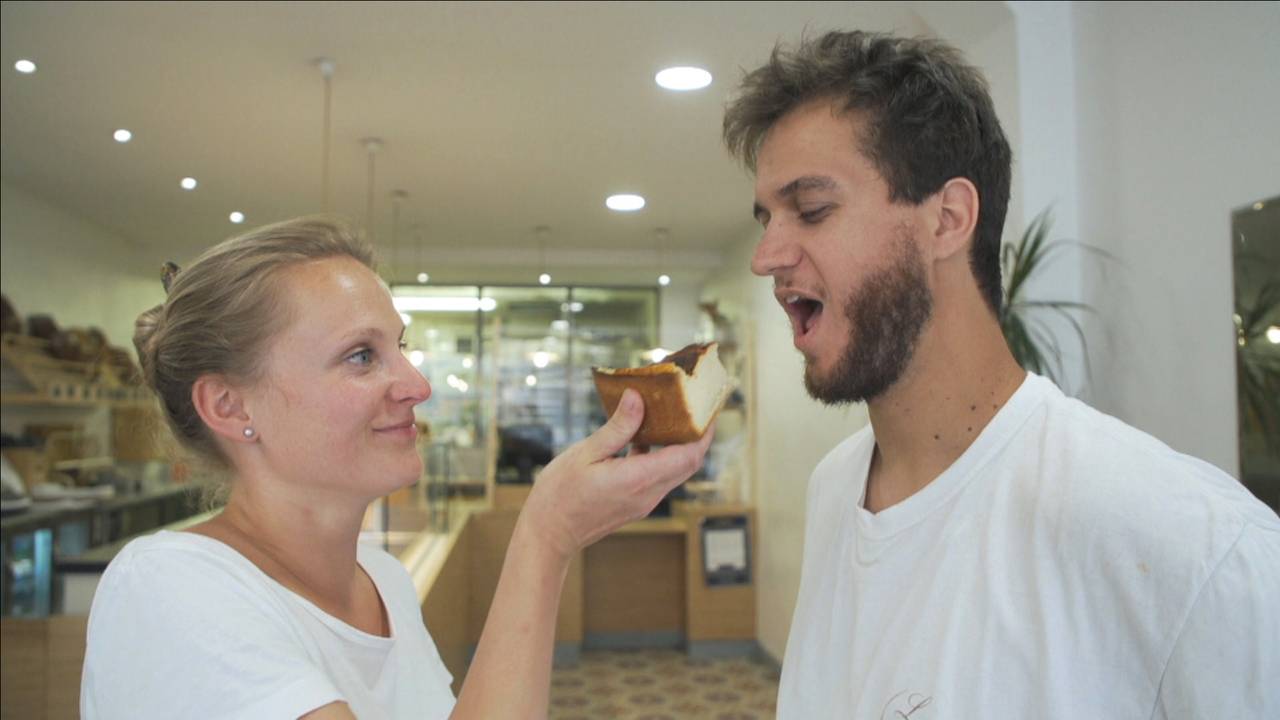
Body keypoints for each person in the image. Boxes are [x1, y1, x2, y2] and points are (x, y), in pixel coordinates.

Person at [722, 30, 1279, 718]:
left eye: (811, 210)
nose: (766, 256)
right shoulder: (835, 487)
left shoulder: (1192, 545)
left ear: (948, 219)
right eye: (767, 219)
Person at [80, 217, 713, 718]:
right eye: (361, 355)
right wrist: (545, 539)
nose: (417, 385)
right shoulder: (168, 589)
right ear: (229, 404)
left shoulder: (384, 582)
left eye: (400, 346)